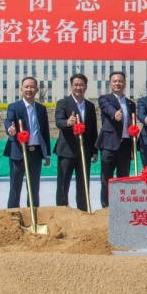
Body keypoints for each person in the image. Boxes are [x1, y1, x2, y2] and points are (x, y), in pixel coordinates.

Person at [3, 77, 51, 209]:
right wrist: (10, 129)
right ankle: (13, 213)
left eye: (32, 87)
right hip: (18, 152)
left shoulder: (41, 109)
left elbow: (45, 131)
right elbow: (9, 120)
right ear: (21, 89)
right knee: (15, 185)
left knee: (34, 186)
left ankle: (33, 212)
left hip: (35, 153)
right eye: (26, 87)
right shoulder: (14, 107)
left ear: (36, 89)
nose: (29, 89)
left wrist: (46, 154)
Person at [53, 73, 98, 211]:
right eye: (76, 85)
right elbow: (58, 122)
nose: (78, 87)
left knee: (83, 183)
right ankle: (62, 210)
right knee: (63, 183)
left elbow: (93, 129)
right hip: (67, 150)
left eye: (81, 85)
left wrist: (95, 150)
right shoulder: (63, 103)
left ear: (86, 87)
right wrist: (68, 122)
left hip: (85, 151)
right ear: (71, 86)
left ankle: (83, 210)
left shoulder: (90, 106)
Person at [96, 70, 136, 208]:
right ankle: (106, 207)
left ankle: (121, 207)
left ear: (124, 83)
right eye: (115, 81)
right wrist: (115, 114)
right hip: (109, 145)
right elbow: (107, 108)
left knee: (123, 178)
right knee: (106, 178)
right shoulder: (104, 98)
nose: (117, 83)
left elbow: (132, 124)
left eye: (120, 81)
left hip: (125, 145)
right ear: (110, 83)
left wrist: (132, 149)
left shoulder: (130, 104)